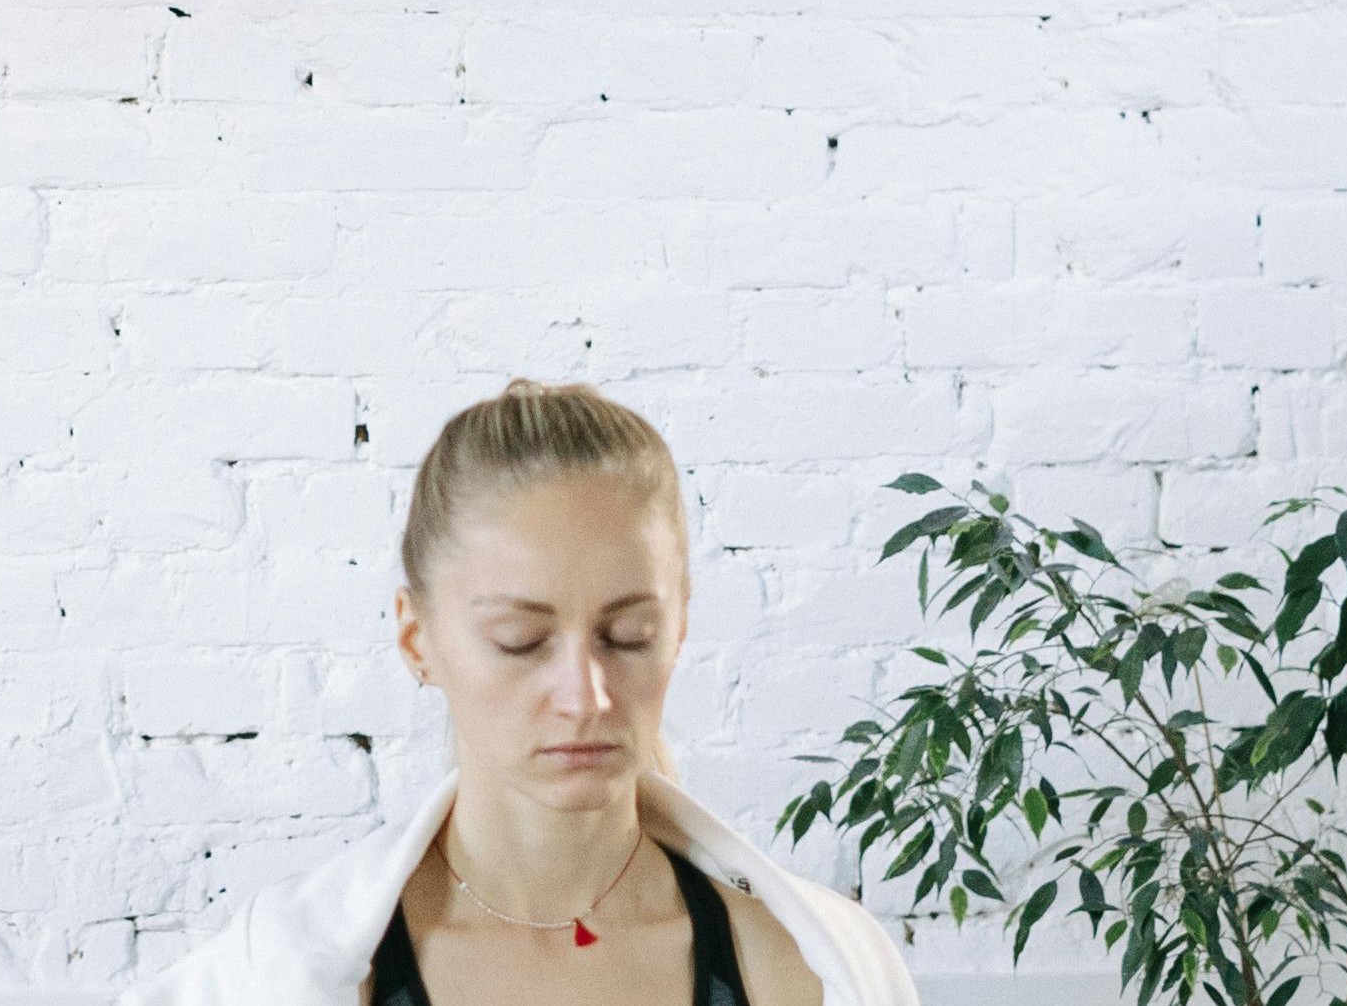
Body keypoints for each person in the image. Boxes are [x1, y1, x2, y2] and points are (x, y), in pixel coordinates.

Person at [126, 382, 919, 1006]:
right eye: (520, 641)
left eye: (629, 635)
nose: (585, 696)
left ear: (678, 628)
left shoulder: (803, 968)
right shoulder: (279, 973)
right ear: (417, 640)